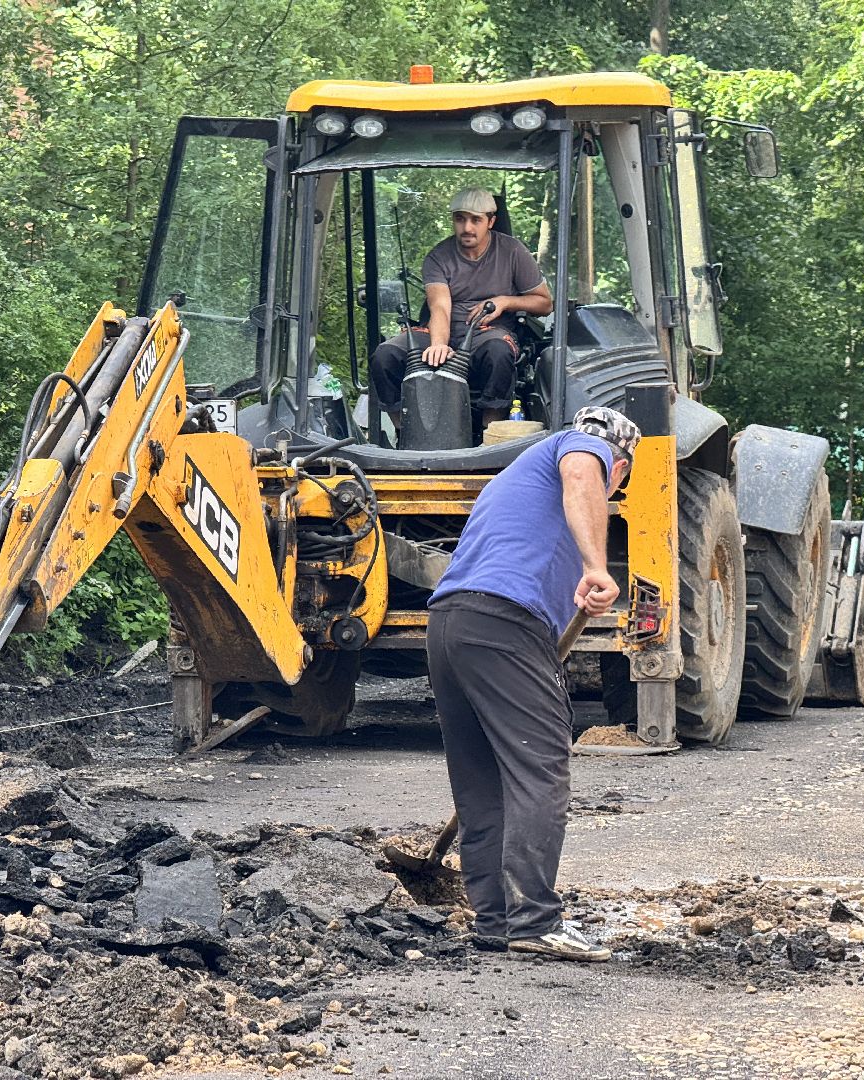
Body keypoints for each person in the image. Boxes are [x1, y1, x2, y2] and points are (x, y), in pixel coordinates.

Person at [426, 406, 640, 961]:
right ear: (618, 467)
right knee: (540, 766)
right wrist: (596, 565)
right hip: (504, 623)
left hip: (450, 623)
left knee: (482, 779)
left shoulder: (514, 476)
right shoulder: (582, 449)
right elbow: (582, 472)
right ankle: (536, 921)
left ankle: (497, 920)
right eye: (618, 482)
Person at [369, 187, 552, 429]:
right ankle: (406, 431)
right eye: (460, 219)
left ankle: (490, 433)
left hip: (488, 333)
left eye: (476, 220)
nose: (467, 228)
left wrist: (505, 301)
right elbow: (440, 306)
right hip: (440, 331)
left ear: (491, 222)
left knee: (498, 352)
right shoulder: (438, 257)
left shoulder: (513, 252)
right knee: (385, 355)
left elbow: (544, 303)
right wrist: (439, 345)